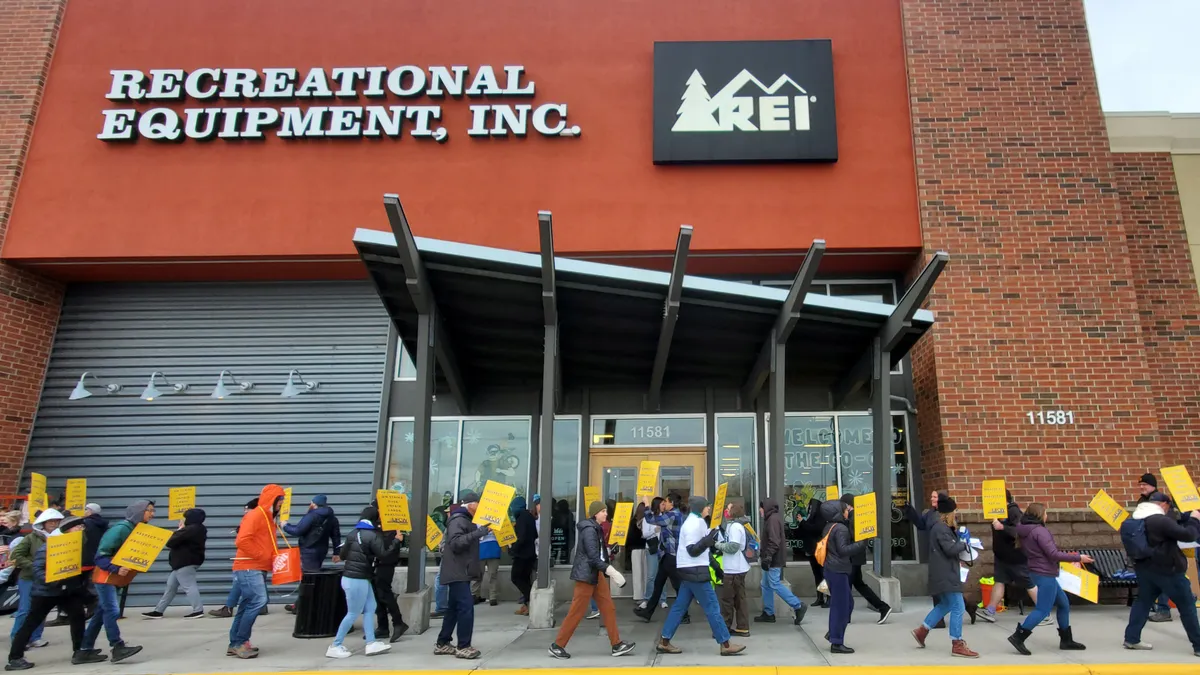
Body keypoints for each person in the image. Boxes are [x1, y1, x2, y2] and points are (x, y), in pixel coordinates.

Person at [6, 516, 108, 671]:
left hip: (67, 590)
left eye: (82, 527)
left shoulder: (77, 546)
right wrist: (53, 581)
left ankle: (80, 652)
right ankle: (15, 658)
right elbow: (38, 569)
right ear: (68, 530)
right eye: (78, 527)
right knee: (32, 622)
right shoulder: (51, 546)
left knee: (78, 617)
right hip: (46, 592)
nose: (81, 530)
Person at [653, 495, 744, 656]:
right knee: (713, 607)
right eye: (707, 506)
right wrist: (709, 540)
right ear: (700, 508)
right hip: (695, 571)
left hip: (690, 570)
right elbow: (693, 550)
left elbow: (703, 550)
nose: (709, 508)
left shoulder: (697, 522)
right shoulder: (694, 524)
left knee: (679, 607)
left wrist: (716, 567)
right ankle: (726, 643)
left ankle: (664, 641)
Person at [999, 502, 1091, 655]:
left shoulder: (1024, 529)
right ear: (1040, 515)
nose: (1047, 515)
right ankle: (1018, 637)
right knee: (1043, 609)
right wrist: (1078, 557)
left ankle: (1066, 640)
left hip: (1037, 570)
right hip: (1045, 573)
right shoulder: (1040, 531)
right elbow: (1053, 554)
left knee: (1063, 604)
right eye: (1046, 513)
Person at [548, 501, 635, 659]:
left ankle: (617, 644)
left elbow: (598, 553)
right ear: (596, 514)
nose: (606, 514)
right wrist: (613, 572)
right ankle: (557, 645)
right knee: (577, 611)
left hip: (595, 574)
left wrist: (608, 553)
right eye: (603, 511)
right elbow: (593, 557)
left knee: (608, 607)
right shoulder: (589, 530)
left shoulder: (595, 528)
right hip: (586, 575)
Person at [1121, 491, 1200, 653]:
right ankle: (1198, 645)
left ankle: (1132, 638)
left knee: (1143, 602)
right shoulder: (1160, 521)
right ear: (1163, 504)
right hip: (1168, 570)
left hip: (1145, 569)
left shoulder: (1135, 519)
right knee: (1187, 606)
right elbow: (1188, 535)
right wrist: (1194, 520)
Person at [82, 500, 152, 663]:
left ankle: (84, 650)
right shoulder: (121, 529)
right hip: (105, 577)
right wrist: (116, 568)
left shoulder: (136, 530)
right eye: (149, 510)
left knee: (101, 613)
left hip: (115, 578)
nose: (152, 513)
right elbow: (100, 555)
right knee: (112, 611)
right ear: (139, 512)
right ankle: (117, 646)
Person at [910, 494, 978, 658]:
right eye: (955, 511)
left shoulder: (940, 527)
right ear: (949, 513)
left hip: (941, 572)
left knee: (946, 604)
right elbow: (949, 549)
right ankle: (957, 643)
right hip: (946, 573)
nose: (956, 514)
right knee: (958, 607)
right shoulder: (941, 528)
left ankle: (922, 630)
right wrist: (964, 544)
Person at [326, 506, 396, 659]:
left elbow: (343, 555)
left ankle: (371, 643)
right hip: (358, 579)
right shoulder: (372, 535)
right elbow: (383, 554)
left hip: (352, 578)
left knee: (371, 608)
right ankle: (335, 645)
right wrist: (396, 541)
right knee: (353, 613)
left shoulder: (353, 533)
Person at [227, 485, 285, 659]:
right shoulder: (256, 515)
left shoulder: (267, 517)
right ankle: (240, 642)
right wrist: (262, 555)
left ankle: (235, 643)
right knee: (260, 600)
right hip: (249, 565)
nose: (282, 504)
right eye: (280, 500)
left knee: (247, 604)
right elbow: (242, 540)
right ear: (272, 499)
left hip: (255, 566)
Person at [435, 491, 491, 660]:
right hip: (458, 571)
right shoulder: (459, 520)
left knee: (453, 609)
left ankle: (443, 643)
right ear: (471, 504)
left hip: (459, 570)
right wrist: (478, 533)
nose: (480, 507)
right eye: (479, 504)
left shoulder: (464, 520)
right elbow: (456, 543)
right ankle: (463, 646)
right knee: (466, 608)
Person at [980, 490, 1042, 623]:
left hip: (1015, 556)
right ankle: (990, 610)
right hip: (1003, 556)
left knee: (1028, 583)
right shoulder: (996, 513)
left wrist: (1003, 527)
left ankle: (1044, 612)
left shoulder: (1014, 512)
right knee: (1000, 580)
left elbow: (1019, 531)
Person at [208, 498, 269, 619]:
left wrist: (257, 554)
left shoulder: (256, 519)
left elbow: (244, 540)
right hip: (254, 559)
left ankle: (229, 608)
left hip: (249, 560)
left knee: (240, 583)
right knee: (255, 581)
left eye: (247, 509)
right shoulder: (261, 519)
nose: (245, 512)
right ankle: (261, 606)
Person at [820, 498, 867, 654]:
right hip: (838, 570)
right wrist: (862, 543)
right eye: (846, 509)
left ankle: (834, 632)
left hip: (832, 569)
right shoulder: (840, 529)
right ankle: (837, 642)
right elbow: (844, 550)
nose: (848, 511)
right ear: (838, 512)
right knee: (841, 607)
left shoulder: (829, 526)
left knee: (847, 604)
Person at [8, 510, 60, 652]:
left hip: (47, 578)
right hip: (29, 578)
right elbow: (16, 554)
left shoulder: (59, 537)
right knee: (25, 609)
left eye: (56, 522)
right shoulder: (31, 538)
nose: (54, 524)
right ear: (43, 523)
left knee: (41, 609)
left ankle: (35, 637)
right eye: (51, 522)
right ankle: (17, 637)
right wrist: (32, 566)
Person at [143, 508, 207, 619]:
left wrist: (180, 529)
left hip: (185, 562)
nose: (184, 519)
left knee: (189, 586)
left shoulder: (190, 529)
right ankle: (158, 611)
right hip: (185, 562)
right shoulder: (199, 528)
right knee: (171, 587)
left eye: (186, 517)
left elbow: (170, 542)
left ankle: (198, 610)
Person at [838, 493, 892, 624]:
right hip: (856, 557)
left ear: (848, 506)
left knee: (846, 587)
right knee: (859, 584)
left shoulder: (853, 518)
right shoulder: (854, 518)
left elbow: (853, 538)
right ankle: (883, 607)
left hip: (852, 558)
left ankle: (845, 616)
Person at [635, 493, 688, 623]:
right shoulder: (676, 514)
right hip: (667, 554)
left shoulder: (672, 515)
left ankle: (685, 615)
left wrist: (647, 504)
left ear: (672, 503)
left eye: (667, 502)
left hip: (671, 555)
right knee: (658, 584)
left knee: (677, 586)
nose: (665, 504)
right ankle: (648, 612)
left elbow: (652, 520)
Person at [755, 497, 807, 625]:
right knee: (765, 584)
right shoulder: (772, 518)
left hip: (773, 558)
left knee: (774, 583)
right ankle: (768, 613)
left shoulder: (772, 520)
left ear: (765, 508)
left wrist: (767, 557)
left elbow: (774, 541)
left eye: (761, 508)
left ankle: (798, 605)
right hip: (770, 558)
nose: (760, 511)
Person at [1137, 473, 1174, 623]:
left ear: (1153, 485)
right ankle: (1151, 607)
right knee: (1151, 578)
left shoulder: (1160, 499)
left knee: (1162, 578)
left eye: (1144, 484)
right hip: (1147, 543)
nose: (1141, 487)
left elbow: (1169, 520)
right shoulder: (1143, 500)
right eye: (1140, 484)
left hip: (1159, 544)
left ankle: (1164, 610)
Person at [715, 503, 751, 637]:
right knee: (738, 600)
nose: (726, 510)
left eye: (728, 508)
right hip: (736, 567)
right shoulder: (733, 526)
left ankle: (725, 628)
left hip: (734, 569)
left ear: (733, 513)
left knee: (727, 600)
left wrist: (719, 545)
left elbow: (733, 547)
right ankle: (742, 627)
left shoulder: (735, 527)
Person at [373, 523, 407, 643]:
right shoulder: (378, 528)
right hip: (378, 564)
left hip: (386, 565)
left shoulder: (392, 530)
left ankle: (398, 622)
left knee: (385, 594)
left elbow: (387, 551)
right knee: (378, 596)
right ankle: (383, 626)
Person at [511, 496, 538, 616]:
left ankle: (530, 600)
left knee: (516, 577)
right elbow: (535, 534)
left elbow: (521, 537)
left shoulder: (522, 518)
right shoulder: (530, 517)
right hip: (530, 553)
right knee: (525, 579)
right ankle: (527, 605)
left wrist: (514, 548)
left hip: (522, 555)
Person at [798, 497, 827, 607]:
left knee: (823, 574)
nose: (809, 509)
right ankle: (820, 598)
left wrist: (803, 522)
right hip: (811, 549)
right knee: (817, 575)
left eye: (810, 507)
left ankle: (827, 597)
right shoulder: (811, 517)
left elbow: (815, 529)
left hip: (818, 549)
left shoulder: (820, 518)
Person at [473, 523, 501, 607]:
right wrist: (485, 530)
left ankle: (493, 597)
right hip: (480, 548)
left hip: (494, 547)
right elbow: (473, 535)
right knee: (478, 574)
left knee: (493, 574)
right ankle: (475, 595)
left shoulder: (497, 520)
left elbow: (504, 533)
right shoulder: (476, 520)